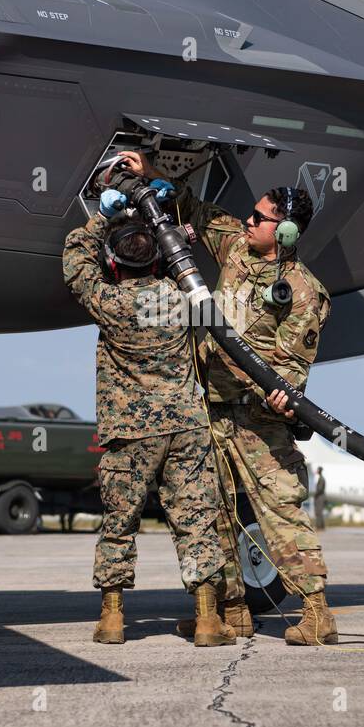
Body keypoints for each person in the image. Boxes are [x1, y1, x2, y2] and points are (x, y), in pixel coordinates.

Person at [114, 150, 336, 646]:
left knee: (280, 510)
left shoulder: (303, 292)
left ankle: (317, 614)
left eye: (259, 218)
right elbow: (196, 209)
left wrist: (279, 395)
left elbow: (288, 370)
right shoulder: (237, 248)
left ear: (285, 234)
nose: (249, 221)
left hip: (258, 420)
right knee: (211, 512)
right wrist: (149, 172)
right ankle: (231, 611)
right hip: (210, 408)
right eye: (252, 214)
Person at [62, 202, 235, 647]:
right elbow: (189, 279)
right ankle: (208, 621)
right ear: (158, 258)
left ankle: (113, 618)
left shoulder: (109, 301)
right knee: (196, 520)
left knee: (119, 524)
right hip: (187, 426)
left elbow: (76, 260)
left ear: (114, 262)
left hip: (131, 434)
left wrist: (103, 215)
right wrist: (176, 241)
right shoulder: (180, 299)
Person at [313, 466, 327, 530]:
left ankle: (319, 526)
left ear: (319, 471)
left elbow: (320, 489)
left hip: (320, 497)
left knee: (319, 512)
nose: (317, 471)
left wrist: (315, 495)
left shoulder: (321, 479)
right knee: (319, 512)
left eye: (317, 470)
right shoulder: (321, 478)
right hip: (320, 496)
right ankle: (321, 526)